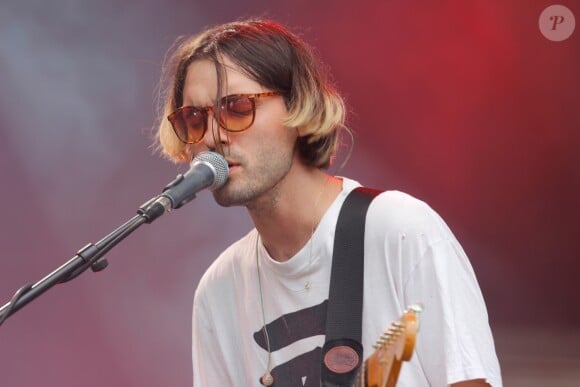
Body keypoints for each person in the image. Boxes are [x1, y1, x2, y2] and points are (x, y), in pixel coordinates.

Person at [155, 18, 502, 387]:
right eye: (193, 118)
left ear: (299, 110)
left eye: (237, 107)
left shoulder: (400, 230)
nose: (211, 135)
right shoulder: (219, 289)